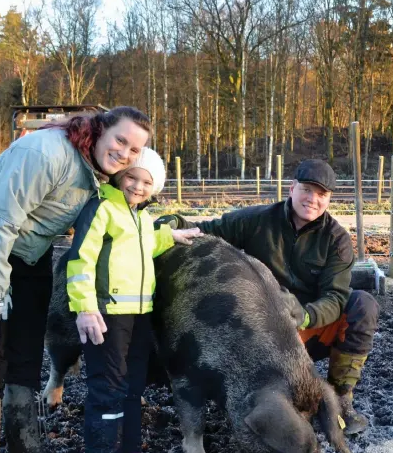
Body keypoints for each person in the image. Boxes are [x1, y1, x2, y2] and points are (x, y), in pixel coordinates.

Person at [0, 106, 152, 453]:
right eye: (121, 140)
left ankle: (24, 442)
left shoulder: (103, 175)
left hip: (31, 249)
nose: (125, 153)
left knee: (26, 345)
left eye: (135, 149)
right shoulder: (45, 153)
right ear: (101, 130)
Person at [158, 159, 379, 435]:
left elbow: (335, 297)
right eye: (307, 190)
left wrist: (306, 314)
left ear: (329, 199)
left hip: (308, 326)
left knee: (363, 304)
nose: (312, 199)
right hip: (260, 334)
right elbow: (207, 231)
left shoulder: (336, 239)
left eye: (321, 194)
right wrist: (174, 224)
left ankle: (340, 399)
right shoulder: (257, 220)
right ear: (291, 188)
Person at [66, 148, 201, 453]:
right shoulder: (102, 209)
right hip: (106, 314)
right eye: (132, 177)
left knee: (132, 385)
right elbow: (80, 260)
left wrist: (170, 235)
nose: (138, 186)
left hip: (139, 313)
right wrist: (84, 306)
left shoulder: (140, 217)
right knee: (108, 385)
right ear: (119, 176)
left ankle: (128, 451)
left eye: (146, 182)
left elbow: (142, 246)